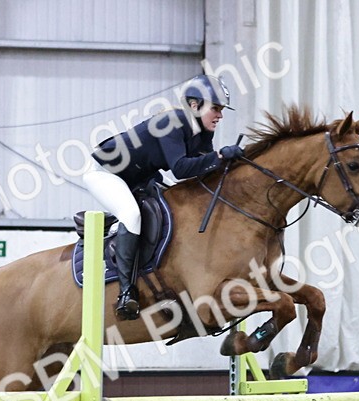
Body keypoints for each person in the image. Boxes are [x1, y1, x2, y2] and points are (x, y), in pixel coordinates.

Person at [86, 74, 244, 319]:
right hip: (105, 173)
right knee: (131, 214)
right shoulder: (172, 121)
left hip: (140, 177)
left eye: (221, 109)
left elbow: (202, 176)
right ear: (194, 105)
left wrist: (232, 168)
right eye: (216, 108)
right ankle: (126, 293)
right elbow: (181, 169)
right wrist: (221, 157)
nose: (220, 115)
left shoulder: (203, 132)